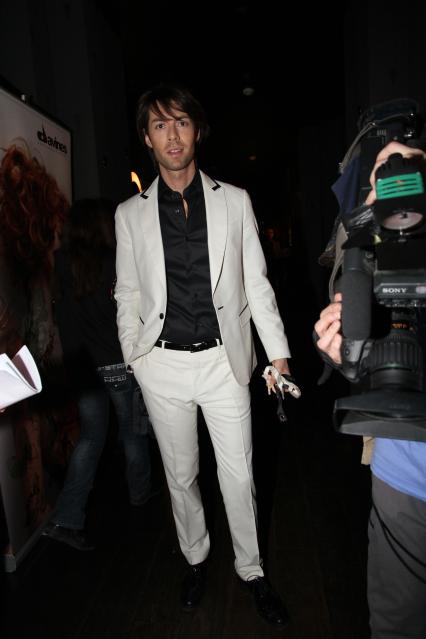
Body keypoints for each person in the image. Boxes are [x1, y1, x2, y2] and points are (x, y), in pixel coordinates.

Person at [114, 84, 292, 627]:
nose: (173, 135)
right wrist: (135, 358)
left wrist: (278, 354)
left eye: (182, 122)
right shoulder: (129, 214)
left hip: (223, 362)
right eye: (160, 125)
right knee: (182, 476)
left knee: (239, 477)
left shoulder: (234, 201)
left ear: (197, 131)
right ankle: (195, 559)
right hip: (162, 364)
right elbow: (127, 292)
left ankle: (252, 570)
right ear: (147, 137)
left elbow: (256, 284)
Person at [314, 141, 426, 639]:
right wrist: (345, 351)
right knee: (396, 624)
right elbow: (357, 348)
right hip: (404, 466)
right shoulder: (376, 235)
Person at [42, 199, 154, 551]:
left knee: (91, 438)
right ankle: (141, 499)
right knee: (134, 434)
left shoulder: (60, 263)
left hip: (83, 368)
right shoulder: (113, 261)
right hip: (117, 363)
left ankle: (66, 518)